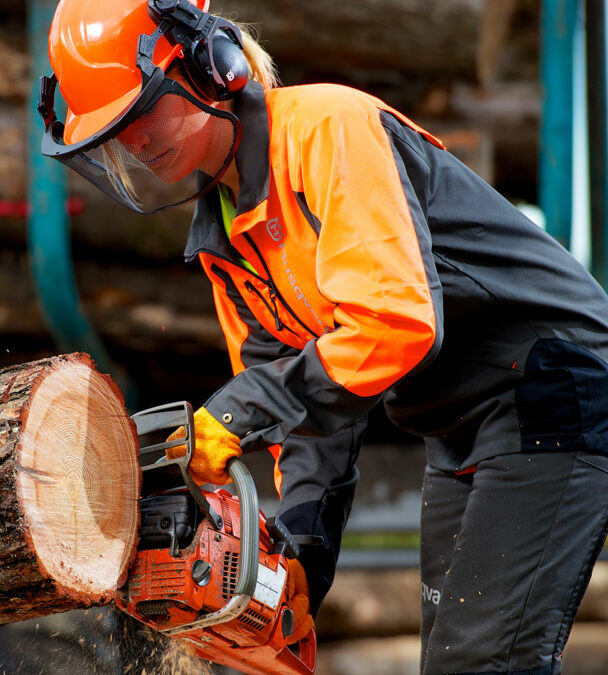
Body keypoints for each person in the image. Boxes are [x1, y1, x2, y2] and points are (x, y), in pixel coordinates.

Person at [38, 1, 608, 673]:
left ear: (208, 67)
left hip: (552, 387)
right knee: (454, 659)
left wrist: (235, 412)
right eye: (115, 133)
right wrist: (301, 557)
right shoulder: (228, 239)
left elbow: (398, 322)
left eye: (142, 113)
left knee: (482, 662)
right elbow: (310, 416)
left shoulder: (327, 132)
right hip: (459, 424)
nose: (135, 142)